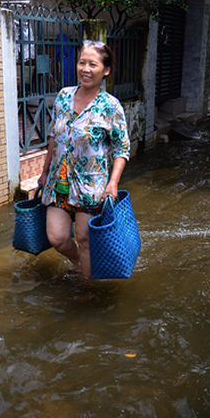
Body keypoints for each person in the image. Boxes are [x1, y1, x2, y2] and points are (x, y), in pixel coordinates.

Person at [38, 40, 131, 278]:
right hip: (58, 183)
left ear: (105, 70)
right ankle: (80, 263)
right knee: (57, 237)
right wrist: (45, 170)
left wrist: (113, 183)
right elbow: (53, 135)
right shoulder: (63, 96)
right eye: (82, 62)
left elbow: (121, 148)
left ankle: (86, 289)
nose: (85, 69)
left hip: (91, 187)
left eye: (93, 64)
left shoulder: (111, 106)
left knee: (84, 238)